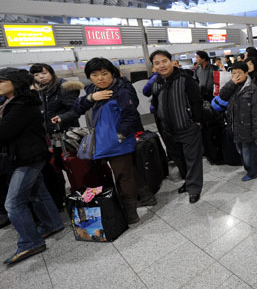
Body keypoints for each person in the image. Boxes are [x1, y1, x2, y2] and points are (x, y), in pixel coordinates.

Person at [52, 58, 155, 224]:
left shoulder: (122, 90)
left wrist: (120, 135)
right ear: (89, 77)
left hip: (118, 142)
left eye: (104, 73)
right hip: (102, 140)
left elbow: (130, 114)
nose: (100, 78)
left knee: (123, 175)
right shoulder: (92, 90)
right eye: (95, 74)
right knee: (129, 171)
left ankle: (131, 213)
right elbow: (78, 108)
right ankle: (148, 197)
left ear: (112, 73)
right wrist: (91, 98)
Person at [0, 68, 64, 266]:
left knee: (13, 203)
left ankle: (31, 241)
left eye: (2, 81)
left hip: (28, 156)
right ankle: (52, 223)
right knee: (37, 192)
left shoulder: (23, 105)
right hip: (27, 154)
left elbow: (4, 133)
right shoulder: (11, 103)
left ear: (15, 82)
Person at [150, 50, 204, 203]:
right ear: (153, 66)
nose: (161, 65)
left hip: (187, 127)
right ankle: (188, 182)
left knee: (192, 160)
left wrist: (196, 122)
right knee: (178, 159)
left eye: (164, 61)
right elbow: (155, 104)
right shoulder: (157, 83)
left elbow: (196, 102)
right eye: (157, 63)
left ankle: (194, 189)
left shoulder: (185, 79)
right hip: (168, 130)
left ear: (172, 61)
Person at [30, 63, 84, 210]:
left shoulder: (65, 87)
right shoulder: (42, 91)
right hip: (53, 135)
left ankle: (82, 192)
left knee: (73, 165)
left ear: (52, 73)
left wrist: (61, 118)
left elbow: (76, 110)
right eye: (36, 75)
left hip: (68, 134)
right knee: (58, 164)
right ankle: (64, 197)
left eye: (44, 73)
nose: (41, 77)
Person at [219, 62, 257, 181]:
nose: (236, 76)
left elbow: (256, 113)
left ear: (246, 73)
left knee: (249, 152)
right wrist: (232, 83)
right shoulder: (233, 86)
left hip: (247, 128)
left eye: (239, 73)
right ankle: (250, 169)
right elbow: (222, 95)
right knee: (241, 151)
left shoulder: (252, 89)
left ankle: (254, 172)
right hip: (235, 126)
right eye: (233, 73)